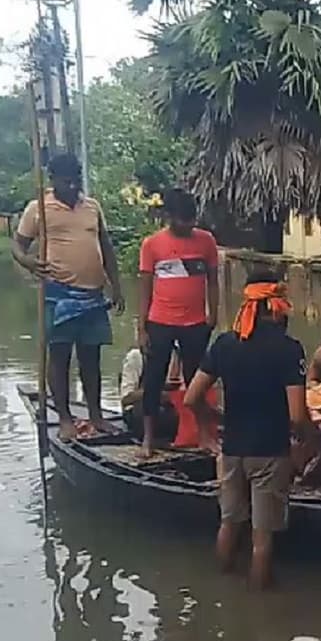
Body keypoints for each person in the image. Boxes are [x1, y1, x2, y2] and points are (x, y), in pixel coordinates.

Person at [184, 270, 309, 589]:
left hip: (231, 450)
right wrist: (313, 439)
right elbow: (296, 416)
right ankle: (260, 614)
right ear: (276, 305)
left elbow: (191, 397)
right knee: (261, 540)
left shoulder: (224, 344)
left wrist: (214, 422)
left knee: (228, 523)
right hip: (270, 452)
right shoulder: (288, 348)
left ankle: (223, 595)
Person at [12, 153, 124, 441]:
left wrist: (117, 286)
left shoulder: (92, 207)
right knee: (60, 356)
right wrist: (28, 262)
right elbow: (18, 245)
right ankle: (64, 418)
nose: (72, 185)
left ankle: (96, 415)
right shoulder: (39, 209)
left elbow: (106, 248)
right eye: (66, 180)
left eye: (76, 179)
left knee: (91, 357)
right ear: (53, 180)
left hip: (93, 296)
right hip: (58, 295)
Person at [136, 188, 219, 458]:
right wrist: (141, 327)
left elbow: (214, 280)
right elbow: (145, 288)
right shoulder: (152, 245)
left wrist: (213, 313)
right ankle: (148, 439)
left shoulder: (206, 242)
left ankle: (204, 435)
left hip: (195, 322)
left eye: (192, 218)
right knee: (153, 379)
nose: (190, 224)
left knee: (198, 381)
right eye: (184, 219)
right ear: (169, 217)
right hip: (160, 321)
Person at [118, 345, 181, 446]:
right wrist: (154, 392)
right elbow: (126, 399)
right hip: (139, 410)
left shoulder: (178, 355)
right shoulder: (136, 356)